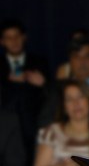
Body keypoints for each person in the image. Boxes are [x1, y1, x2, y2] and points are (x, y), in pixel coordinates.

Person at [0, 19, 49, 165]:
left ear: (24, 37)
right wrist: (6, 80)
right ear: (2, 42)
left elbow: (53, 97)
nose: (14, 41)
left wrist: (44, 84)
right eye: (9, 38)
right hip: (5, 133)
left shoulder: (39, 63)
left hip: (35, 129)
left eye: (17, 36)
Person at [34, 80, 89, 166]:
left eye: (80, 97)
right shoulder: (52, 133)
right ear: (64, 107)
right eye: (69, 99)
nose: (76, 103)